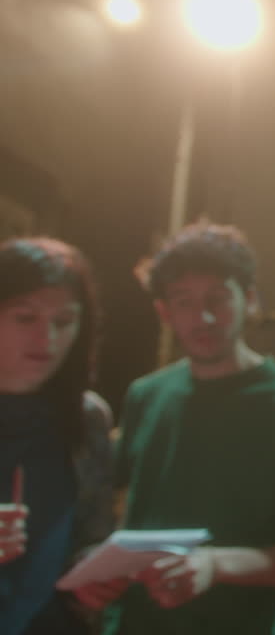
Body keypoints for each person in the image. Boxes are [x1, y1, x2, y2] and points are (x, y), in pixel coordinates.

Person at [74, 221, 275, 634]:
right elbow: (114, 510)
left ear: (250, 300)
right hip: (134, 624)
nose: (202, 317)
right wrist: (94, 565)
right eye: (184, 302)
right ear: (164, 312)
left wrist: (216, 564)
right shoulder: (146, 395)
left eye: (218, 299)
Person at [0, 238, 114, 635]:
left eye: (63, 322)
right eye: (25, 318)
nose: (45, 339)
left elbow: (90, 536)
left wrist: (96, 577)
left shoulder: (86, 417)